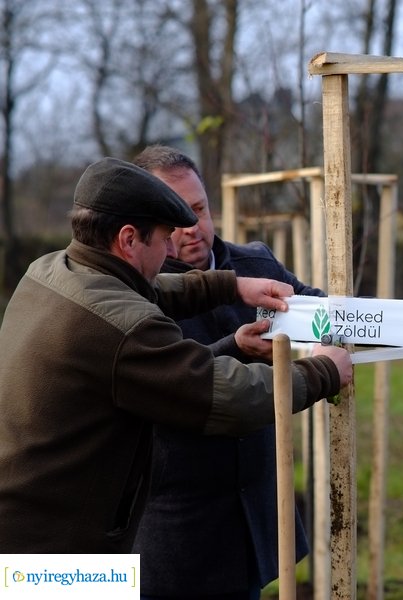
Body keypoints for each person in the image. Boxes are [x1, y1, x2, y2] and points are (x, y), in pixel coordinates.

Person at [0, 157, 352, 554]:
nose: (173, 247)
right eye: (164, 238)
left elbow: (147, 290)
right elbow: (227, 395)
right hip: (59, 553)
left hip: (28, 527)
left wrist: (231, 286)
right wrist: (323, 371)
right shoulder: (122, 330)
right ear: (129, 239)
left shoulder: (51, 271)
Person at [130, 144, 322, 600]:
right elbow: (170, 384)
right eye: (175, 220)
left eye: (198, 209)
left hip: (253, 519)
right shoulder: (132, 293)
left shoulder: (256, 265)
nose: (192, 229)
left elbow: (336, 316)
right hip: (174, 531)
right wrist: (232, 348)